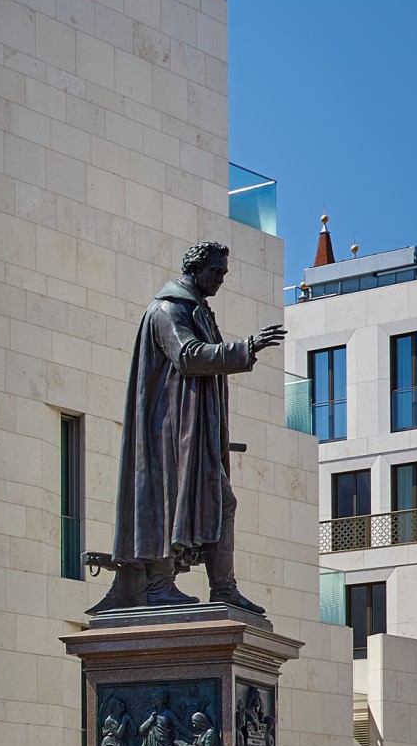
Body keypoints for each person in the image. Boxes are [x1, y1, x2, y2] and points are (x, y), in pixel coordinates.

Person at [106, 242, 284, 612]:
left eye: (223, 273)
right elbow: (187, 356)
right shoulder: (170, 309)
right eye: (216, 272)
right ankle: (160, 585)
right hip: (170, 434)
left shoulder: (196, 309)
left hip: (193, 430)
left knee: (218, 502)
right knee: (174, 503)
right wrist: (246, 347)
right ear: (196, 269)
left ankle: (222, 589)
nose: (220, 280)